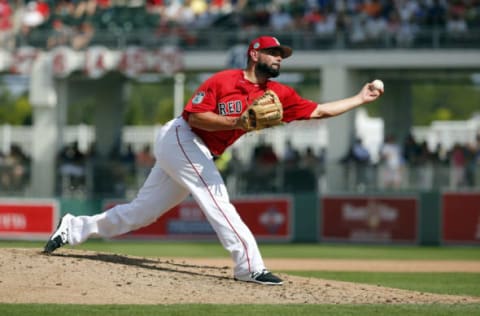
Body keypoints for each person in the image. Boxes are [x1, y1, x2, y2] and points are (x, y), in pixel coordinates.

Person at [43, 35, 383, 285]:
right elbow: (194, 117)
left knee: (140, 213)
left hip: (200, 150)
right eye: (273, 53)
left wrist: (359, 98)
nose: (279, 59)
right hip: (181, 136)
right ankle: (249, 266)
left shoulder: (278, 94)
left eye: (282, 55)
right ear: (254, 54)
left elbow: (320, 110)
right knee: (216, 196)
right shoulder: (224, 81)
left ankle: (73, 227)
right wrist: (236, 122)